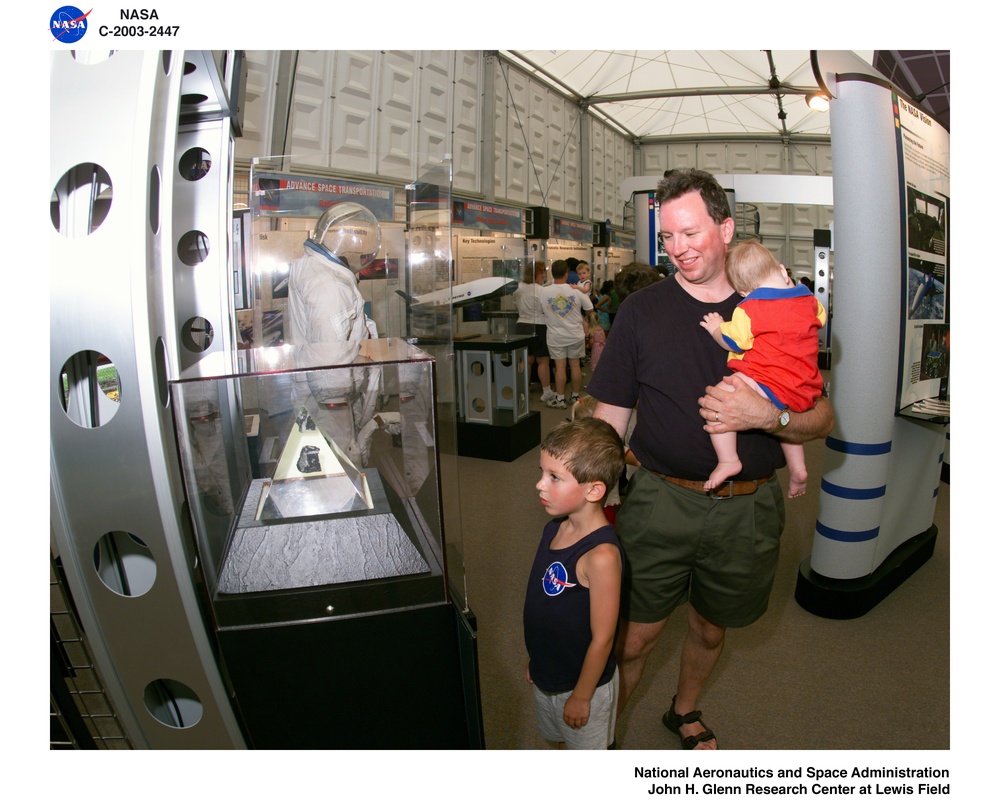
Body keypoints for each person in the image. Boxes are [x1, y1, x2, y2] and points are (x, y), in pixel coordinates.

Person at [587, 168, 833, 750]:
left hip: (746, 509)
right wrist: (583, 503)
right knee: (633, 638)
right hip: (658, 500)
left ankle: (684, 710)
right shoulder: (642, 312)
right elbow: (610, 417)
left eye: (691, 233)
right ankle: (601, 738)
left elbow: (821, 417)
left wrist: (765, 418)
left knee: (710, 627)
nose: (678, 250)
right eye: (667, 236)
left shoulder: (782, 307)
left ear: (725, 228)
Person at [523, 418, 625, 750]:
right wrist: (537, 660)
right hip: (547, 672)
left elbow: (603, 637)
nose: (540, 485)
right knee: (557, 740)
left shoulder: (601, 557)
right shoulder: (553, 529)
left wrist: (582, 696)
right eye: (542, 472)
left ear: (595, 490)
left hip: (585, 686)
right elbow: (546, 607)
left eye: (554, 477)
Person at [700, 241, 827, 497]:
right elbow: (820, 319)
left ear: (744, 291)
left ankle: (728, 460)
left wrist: (716, 327)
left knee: (720, 398)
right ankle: (798, 467)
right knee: (787, 420)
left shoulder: (750, 309)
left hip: (769, 381)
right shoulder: (809, 301)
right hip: (805, 386)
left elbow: (734, 340)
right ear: (782, 270)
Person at [538, 260, 593, 410]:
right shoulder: (576, 291)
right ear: (567, 273)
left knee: (560, 367)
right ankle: (575, 396)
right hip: (575, 335)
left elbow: (541, 310)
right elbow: (589, 308)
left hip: (556, 337)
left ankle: (560, 399)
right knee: (575, 365)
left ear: (552, 274)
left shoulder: (544, 291)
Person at [513, 260, 556, 404]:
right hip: (539, 325)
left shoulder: (518, 288)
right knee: (543, 359)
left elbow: (515, 306)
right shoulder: (541, 290)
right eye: (541, 272)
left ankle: (522, 389)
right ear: (534, 274)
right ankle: (547, 391)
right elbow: (546, 309)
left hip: (521, 325)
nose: (544, 275)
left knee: (525, 359)